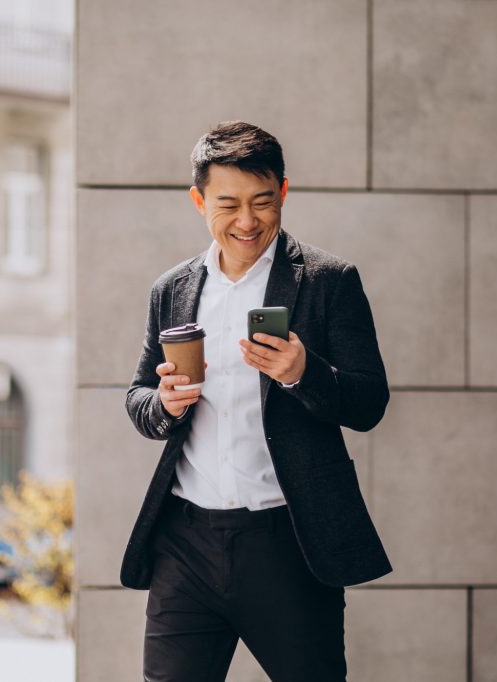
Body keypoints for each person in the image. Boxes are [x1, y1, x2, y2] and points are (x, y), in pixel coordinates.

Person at [122, 121, 392, 681]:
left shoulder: (328, 282)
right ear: (199, 201)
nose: (247, 221)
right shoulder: (172, 290)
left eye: (262, 202)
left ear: (284, 193)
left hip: (287, 541)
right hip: (186, 542)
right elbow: (139, 398)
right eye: (228, 204)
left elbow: (369, 402)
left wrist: (303, 373)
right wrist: (165, 405)